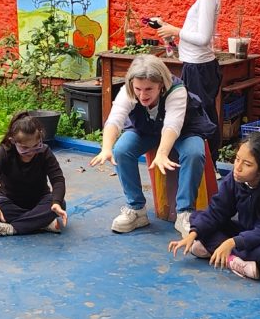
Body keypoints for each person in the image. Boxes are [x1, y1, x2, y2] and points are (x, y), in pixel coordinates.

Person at [89, 54, 216, 237]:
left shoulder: (176, 90)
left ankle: (185, 213)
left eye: (149, 89)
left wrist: (163, 152)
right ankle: (137, 209)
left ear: (161, 85)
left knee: (194, 153)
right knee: (122, 150)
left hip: (185, 130)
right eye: (138, 89)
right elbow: (115, 119)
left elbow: (173, 125)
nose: (142, 95)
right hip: (147, 129)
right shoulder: (129, 90)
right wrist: (106, 148)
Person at [169, 132, 260, 280]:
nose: (238, 167)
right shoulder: (237, 177)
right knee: (197, 218)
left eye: (247, 164)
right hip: (246, 231)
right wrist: (192, 235)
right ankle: (235, 261)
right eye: (237, 159)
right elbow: (218, 210)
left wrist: (232, 242)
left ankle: (221, 253)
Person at [154, 0, 225, 160]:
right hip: (198, 65)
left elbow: (203, 37)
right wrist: (169, 30)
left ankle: (208, 163)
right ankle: (206, 161)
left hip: (199, 68)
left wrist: (174, 30)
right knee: (200, 113)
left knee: (199, 116)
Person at [0, 111, 68, 236]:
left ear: (41, 139)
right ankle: (42, 223)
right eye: (25, 148)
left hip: (39, 200)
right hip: (10, 202)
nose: (31, 152)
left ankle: (11, 228)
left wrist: (56, 202)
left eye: (36, 146)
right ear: (13, 141)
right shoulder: (4, 152)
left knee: (59, 204)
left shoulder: (45, 152)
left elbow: (58, 179)